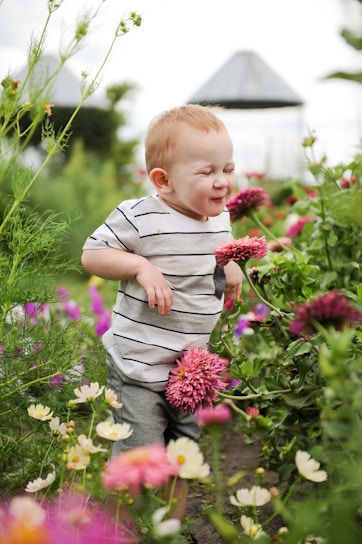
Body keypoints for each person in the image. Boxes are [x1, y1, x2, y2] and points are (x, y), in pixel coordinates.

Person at [81, 104, 242, 520]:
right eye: (208, 172)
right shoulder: (141, 216)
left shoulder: (218, 217)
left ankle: (167, 530)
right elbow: (92, 255)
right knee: (142, 458)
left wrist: (232, 268)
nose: (223, 182)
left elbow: (211, 258)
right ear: (163, 180)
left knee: (181, 458)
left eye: (228, 168)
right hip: (138, 367)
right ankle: (127, 528)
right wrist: (139, 265)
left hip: (188, 371)